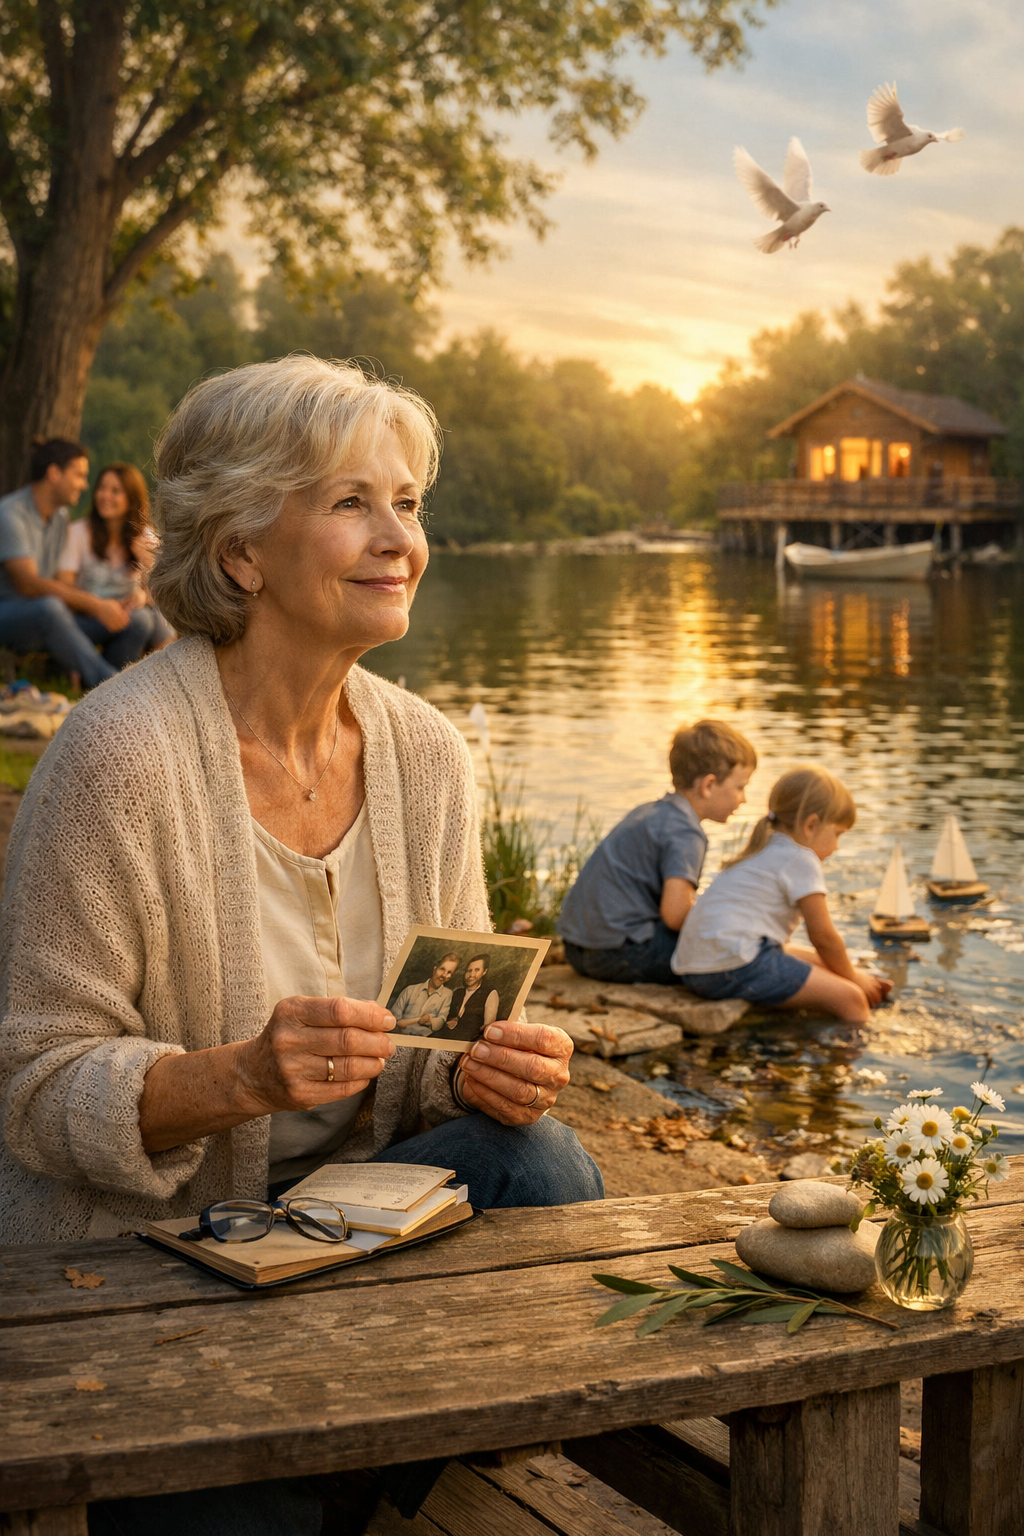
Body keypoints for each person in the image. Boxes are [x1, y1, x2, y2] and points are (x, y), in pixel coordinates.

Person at [0, 357, 601, 1535]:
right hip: (154, 1248)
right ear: (239, 552)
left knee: (548, 1172)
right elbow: (30, 1085)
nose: (399, 540)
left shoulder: (428, 756)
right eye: (349, 503)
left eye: (409, 504)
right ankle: (322, 1466)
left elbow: (434, 1044)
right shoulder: (116, 758)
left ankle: (327, 1457)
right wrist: (235, 1078)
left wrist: (487, 1066)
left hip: (343, 1216)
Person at [671, 766, 893, 1022]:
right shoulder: (800, 858)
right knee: (850, 998)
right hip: (732, 965)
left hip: (694, 969)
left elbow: (812, 951)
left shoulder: (760, 852)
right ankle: (848, 1057)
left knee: (815, 961)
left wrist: (848, 971)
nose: (836, 847)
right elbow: (824, 938)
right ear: (811, 825)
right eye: (837, 834)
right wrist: (854, 979)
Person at [558, 719, 757, 985]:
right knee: (729, 953)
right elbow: (675, 916)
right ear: (708, 785)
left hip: (577, 949)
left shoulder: (649, 812)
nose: (743, 799)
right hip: (617, 954)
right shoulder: (686, 833)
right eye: (740, 787)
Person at [0, 439, 131, 688]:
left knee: (134, 621)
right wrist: (94, 603)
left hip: (47, 618)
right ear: (53, 473)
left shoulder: (60, 518)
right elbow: (28, 585)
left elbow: (63, 582)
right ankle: (113, 686)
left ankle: (115, 685)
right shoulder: (10, 515)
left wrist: (110, 606)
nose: (84, 485)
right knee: (49, 607)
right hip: (9, 613)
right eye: (79, 475)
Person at [57, 461, 175, 669]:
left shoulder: (145, 538)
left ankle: (140, 676)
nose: (105, 496)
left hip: (126, 618)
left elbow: (165, 592)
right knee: (143, 620)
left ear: (131, 499)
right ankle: (119, 678)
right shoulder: (78, 532)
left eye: (115, 491)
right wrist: (98, 607)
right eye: (102, 488)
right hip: (86, 618)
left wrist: (143, 593)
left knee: (150, 617)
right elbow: (64, 584)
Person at [390, 952, 460, 1035]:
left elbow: (442, 1019)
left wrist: (430, 1021)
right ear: (434, 969)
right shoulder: (410, 990)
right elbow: (393, 1019)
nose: (444, 975)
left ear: (450, 977)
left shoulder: (448, 994)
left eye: (449, 972)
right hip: (401, 1035)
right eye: (442, 969)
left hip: (425, 1039)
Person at [444, 953, 500, 1036]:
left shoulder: (490, 993)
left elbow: (487, 1027)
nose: (471, 975)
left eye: (477, 970)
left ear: (484, 972)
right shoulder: (457, 992)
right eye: (469, 971)